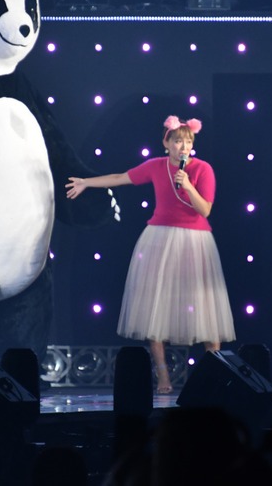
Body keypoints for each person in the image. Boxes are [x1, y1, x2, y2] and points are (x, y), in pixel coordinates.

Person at [66, 115, 236, 393]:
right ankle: (164, 379)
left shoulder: (203, 169)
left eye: (188, 141)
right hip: (159, 238)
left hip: (196, 241)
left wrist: (188, 185)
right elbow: (121, 178)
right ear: (166, 143)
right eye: (178, 140)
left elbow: (205, 210)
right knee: (155, 307)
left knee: (205, 309)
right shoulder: (156, 166)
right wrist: (86, 182)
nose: (184, 146)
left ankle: (213, 376)